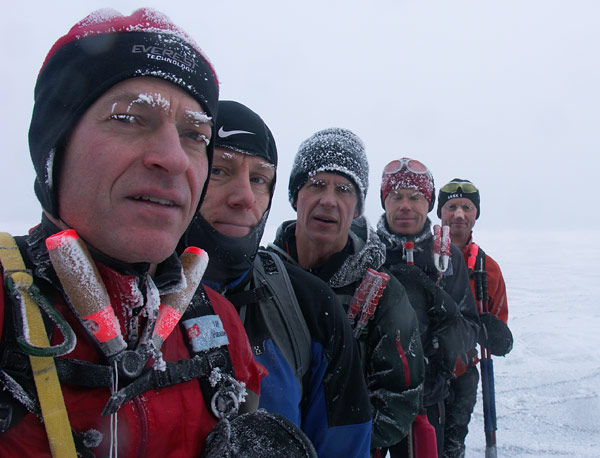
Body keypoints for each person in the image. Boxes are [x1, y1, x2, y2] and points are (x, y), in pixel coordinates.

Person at [0, 9, 266, 457]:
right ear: (55, 148)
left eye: (194, 135)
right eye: (128, 118)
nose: (174, 158)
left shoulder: (219, 322)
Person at [179, 101, 373, 457]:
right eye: (219, 170)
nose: (245, 197)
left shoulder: (310, 306)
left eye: (258, 179)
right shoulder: (119, 299)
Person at [269, 128, 425, 456]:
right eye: (316, 185)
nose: (328, 199)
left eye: (343, 189)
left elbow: (399, 402)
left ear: (356, 208)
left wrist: (337, 443)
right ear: (296, 195)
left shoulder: (383, 295)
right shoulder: (261, 279)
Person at [376, 158, 480, 455]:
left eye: (415, 197)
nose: (405, 205)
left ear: (429, 202)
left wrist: (444, 314)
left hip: (432, 401)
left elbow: (469, 332)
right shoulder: (366, 251)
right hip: (373, 400)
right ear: (384, 202)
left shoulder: (446, 259)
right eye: (396, 197)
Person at [437, 178, 513, 458]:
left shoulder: (488, 269)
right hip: (420, 374)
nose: (459, 214)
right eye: (451, 206)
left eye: (467, 207)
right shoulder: (419, 257)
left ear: (475, 214)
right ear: (440, 213)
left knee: (452, 448)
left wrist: (496, 333)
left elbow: (498, 326)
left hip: (463, 375)